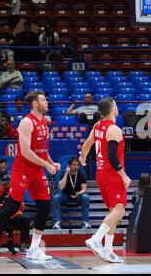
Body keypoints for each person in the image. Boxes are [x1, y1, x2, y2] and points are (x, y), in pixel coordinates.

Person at [0, 91, 61, 261]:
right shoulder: (27, 122)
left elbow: (42, 148)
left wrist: (52, 161)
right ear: (35, 104)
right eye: (44, 100)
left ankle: (34, 249)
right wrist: (47, 165)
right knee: (12, 206)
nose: (47, 102)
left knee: (44, 206)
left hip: (37, 169)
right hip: (23, 169)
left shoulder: (44, 120)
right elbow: (27, 152)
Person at [79, 97, 131, 263]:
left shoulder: (97, 126)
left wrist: (82, 157)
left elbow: (86, 145)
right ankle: (96, 238)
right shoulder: (114, 130)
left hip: (100, 173)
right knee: (120, 210)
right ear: (113, 108)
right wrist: (124, 176)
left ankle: (108, 250)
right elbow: (113, 157)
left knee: (113, 212)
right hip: (112, 173)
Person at [0, 174, 30, 255]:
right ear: (1, 183)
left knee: (26, 218)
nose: (7, 186)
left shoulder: (14, 191)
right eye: (5, 184)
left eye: (9, 184)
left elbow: (22, 207)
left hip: (12, 216)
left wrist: (19, 204)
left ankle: (23, 246)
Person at [52, 156, 91, 230]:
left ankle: (85, 222)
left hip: (78, 195)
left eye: (77, 165)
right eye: (74, 165)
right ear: (69, 165)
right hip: (65, 195)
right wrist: (66, 173)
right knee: (56, 198)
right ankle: (57, 223)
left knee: (85, 197)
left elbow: (84, 189)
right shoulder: (63, 174)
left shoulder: (81, 174)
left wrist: (79, 193)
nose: (76, 167)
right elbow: (61, 187)